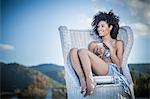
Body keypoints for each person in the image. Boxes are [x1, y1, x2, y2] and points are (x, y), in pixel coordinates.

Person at [69, 10, 124, 97]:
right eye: (98, 26)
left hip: (110, 70)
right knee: (73, 51)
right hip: (96, 71)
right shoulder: (94, 44)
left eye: (102, 26)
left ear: (110, 27)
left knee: (82, 51)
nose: (99, 28)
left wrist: (110, 48)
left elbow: (119, 65)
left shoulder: (118, 43)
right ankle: (83, 80)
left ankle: (90, 80)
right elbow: (88, 64)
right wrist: (97, 54)